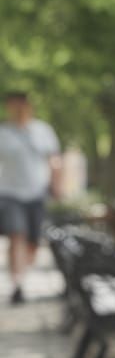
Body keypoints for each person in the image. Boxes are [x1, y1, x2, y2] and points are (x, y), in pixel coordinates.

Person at [0, 90, 62, 304]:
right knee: (16, 235)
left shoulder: (42, 131)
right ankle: (17, 283)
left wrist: (57, 185)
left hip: (37, 194)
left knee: (33, 241)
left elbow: (54, 160)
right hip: (9, 194)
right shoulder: (3, 133)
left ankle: (22, 274)